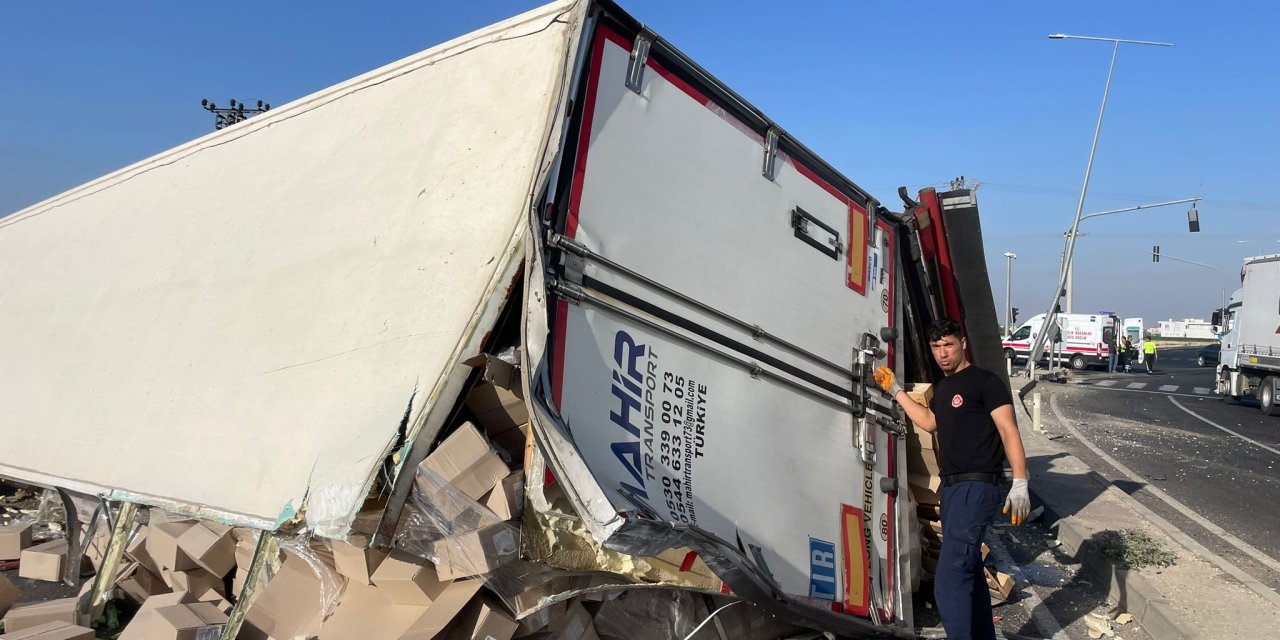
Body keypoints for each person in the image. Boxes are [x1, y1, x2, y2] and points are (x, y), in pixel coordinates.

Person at [873, 319, 1029, 640]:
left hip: (978, 484)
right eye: (936, 348)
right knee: (969, 571)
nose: (943, 354)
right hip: (953, 488)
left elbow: (1008, 430)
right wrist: (896, 390)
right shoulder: (942, 389)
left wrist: (1020, 481)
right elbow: (930, 423)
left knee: (949, 580)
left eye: (949, 345)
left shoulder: (986, 382)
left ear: (963, 344)